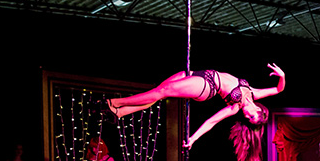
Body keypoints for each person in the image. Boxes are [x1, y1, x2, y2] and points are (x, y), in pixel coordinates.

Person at [105, 64, 285, 148]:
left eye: (248, 119)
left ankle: (114, 103)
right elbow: (278, 89)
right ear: (259, 110)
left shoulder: (235, 107)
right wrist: (282, 76)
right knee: (157, 92)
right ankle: (121, 113)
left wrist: (193, 138)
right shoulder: (254, 93)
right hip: (199, 73)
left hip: (207, 86)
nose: (246, 116)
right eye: (251, 116)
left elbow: (212, 121)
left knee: (162, 92)